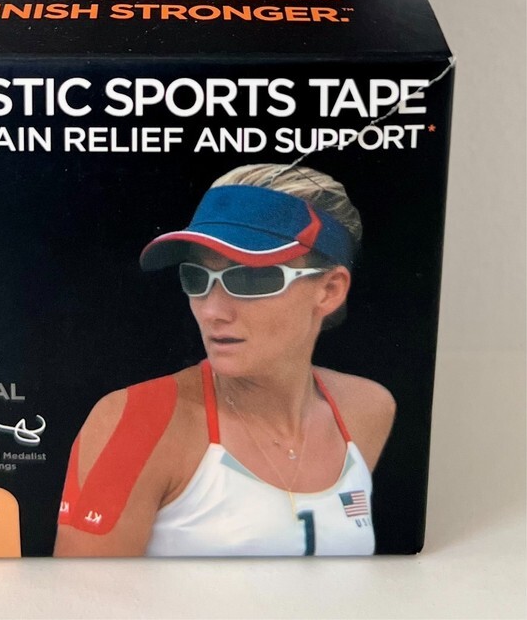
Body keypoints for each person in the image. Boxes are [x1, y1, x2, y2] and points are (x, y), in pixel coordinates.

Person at [54, 163, 396, 557]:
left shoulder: (367, 410)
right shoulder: (138, 420)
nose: (212, 310)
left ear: (330, 290)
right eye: (196, 278)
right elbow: (79, 591)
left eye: (250, 278)